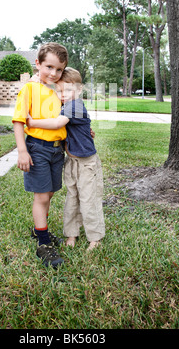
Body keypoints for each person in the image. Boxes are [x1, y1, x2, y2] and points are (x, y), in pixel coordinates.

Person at [27, 67, 105, 251]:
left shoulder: (74, 104)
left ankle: (95, 238)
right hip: (71, 161)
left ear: (79, 90)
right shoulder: (65, 105)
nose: (62, 94)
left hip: (87, 163)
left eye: (68, 90)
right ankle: (71, 234)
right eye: (59, 90)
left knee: (88, 199)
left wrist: (31, 122)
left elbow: (57, 123)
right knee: (72, 199)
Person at [12, 42, 68, 268]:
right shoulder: (30, 89)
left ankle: (39, 229)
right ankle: (43, 243)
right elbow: (19, 121)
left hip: (57, 149)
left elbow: (64, 119)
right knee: (41, 197)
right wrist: (23, 151)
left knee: (50, 193)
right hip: (37, 148)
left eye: (59, 70)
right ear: (38, 64)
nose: (54, 73)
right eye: (49, 67)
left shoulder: (59, 91)